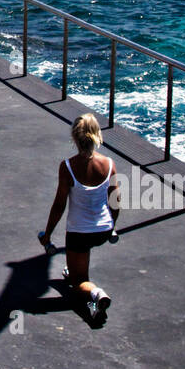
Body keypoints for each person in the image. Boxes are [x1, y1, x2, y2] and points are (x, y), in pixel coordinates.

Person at [39, 112, 119, 318]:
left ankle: (96, 293)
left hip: (79, 234)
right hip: (103, 229)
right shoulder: (109, 164)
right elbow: (116, 202)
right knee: (77, 273)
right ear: (97, 135)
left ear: (75, 138)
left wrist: (47, 235)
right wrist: (113, 227)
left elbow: (59, 205)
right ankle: (94, 310)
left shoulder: (67, 167)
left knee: (78, 283)